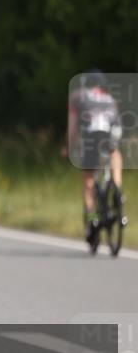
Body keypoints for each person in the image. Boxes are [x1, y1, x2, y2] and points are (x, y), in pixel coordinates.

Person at [66, 69, 124, 243]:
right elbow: (117, 123)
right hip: (111, 132)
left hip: (93, 133)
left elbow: (73, 129)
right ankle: (117, 187)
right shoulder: (110, 99)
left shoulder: (78, 96)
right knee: (115, 152)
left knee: (88, 180)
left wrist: (69, 147)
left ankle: (92, 218)